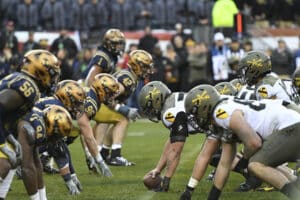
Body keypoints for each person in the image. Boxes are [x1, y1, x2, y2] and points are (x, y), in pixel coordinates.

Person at [183, 84, 300, 200]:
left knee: (255, 164)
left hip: (290, 127)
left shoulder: (221, 114)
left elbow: (254, 143)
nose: (196, 119)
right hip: (289, 125)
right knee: (264, 162)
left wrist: (244, 160)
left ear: (205, 107)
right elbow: (225, 164)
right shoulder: (223, 113)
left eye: (195, 114)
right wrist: (212, 197)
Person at [90, 50, 154, 167]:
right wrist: (123, 109)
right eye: (145, 67)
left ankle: (102, 153)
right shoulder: (127, 80)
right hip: (97, 104)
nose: (148, 70)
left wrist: (120, 107)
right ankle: (115, 155)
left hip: (97, 103)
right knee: (123, 118)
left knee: (114, 119)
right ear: (137, 66)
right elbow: (107, 96)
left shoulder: (129, 77)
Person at [0, 49, 60, 168]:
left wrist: (8, 137)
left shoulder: (22, 79)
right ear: (39, 71)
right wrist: (2, 144)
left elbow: (3, 115)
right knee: (5, 164)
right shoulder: (28, 87)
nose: (53, 80)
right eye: (52, 74)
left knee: (7, 163)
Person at [138, 81, 201, 191]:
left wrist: (165, 181)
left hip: (219, 124)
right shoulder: (173, 99)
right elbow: (171, 142)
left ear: (158, 100)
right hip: (213, 126)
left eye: (150, 106)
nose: (151, 111)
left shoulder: (169, 112)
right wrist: (158, 169)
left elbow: (176, 150)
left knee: (215, 157)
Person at [17, 105, 73, 200]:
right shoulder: (35, 128)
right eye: (56, 136)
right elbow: (26, 168)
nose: (55, 140)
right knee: (8, 165)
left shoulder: (39, 123)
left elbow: (36, 163)